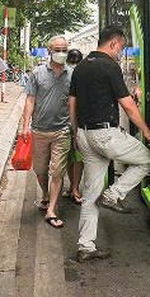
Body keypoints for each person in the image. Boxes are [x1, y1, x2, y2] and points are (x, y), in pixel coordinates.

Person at [69, 25, 150, 263]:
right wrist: (146, 130)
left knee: (90, 195)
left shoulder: (81, 67)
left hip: (84, 135)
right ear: (114, 43)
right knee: (146, 160)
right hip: (105, 135)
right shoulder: (109, 66)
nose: (121, 52)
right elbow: (127, 104)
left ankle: (85, 246)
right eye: (121, 47)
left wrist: (76, 133)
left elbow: (72, 103)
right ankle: (114, 194)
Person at [20, 36, 72, 229]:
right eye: (58, 49)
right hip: (39, 131)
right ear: (49, 51)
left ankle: (51, 210)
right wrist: (25, 126)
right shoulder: (37, 73)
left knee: (57, 171)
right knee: (40, 171)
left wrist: (75, 127)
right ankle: (45, 193)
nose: (61, 53)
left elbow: (73, 102)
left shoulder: (71, 74)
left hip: (62, 131)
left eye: (64, 50)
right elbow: (30, 100)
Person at [65, 48, 84, 204]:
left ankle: (74, 187)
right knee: (73, 157)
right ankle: (74, 187)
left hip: (74, 121)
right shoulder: (77, 75)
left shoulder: (68, 74)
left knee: (73, 157)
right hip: (71, 121)